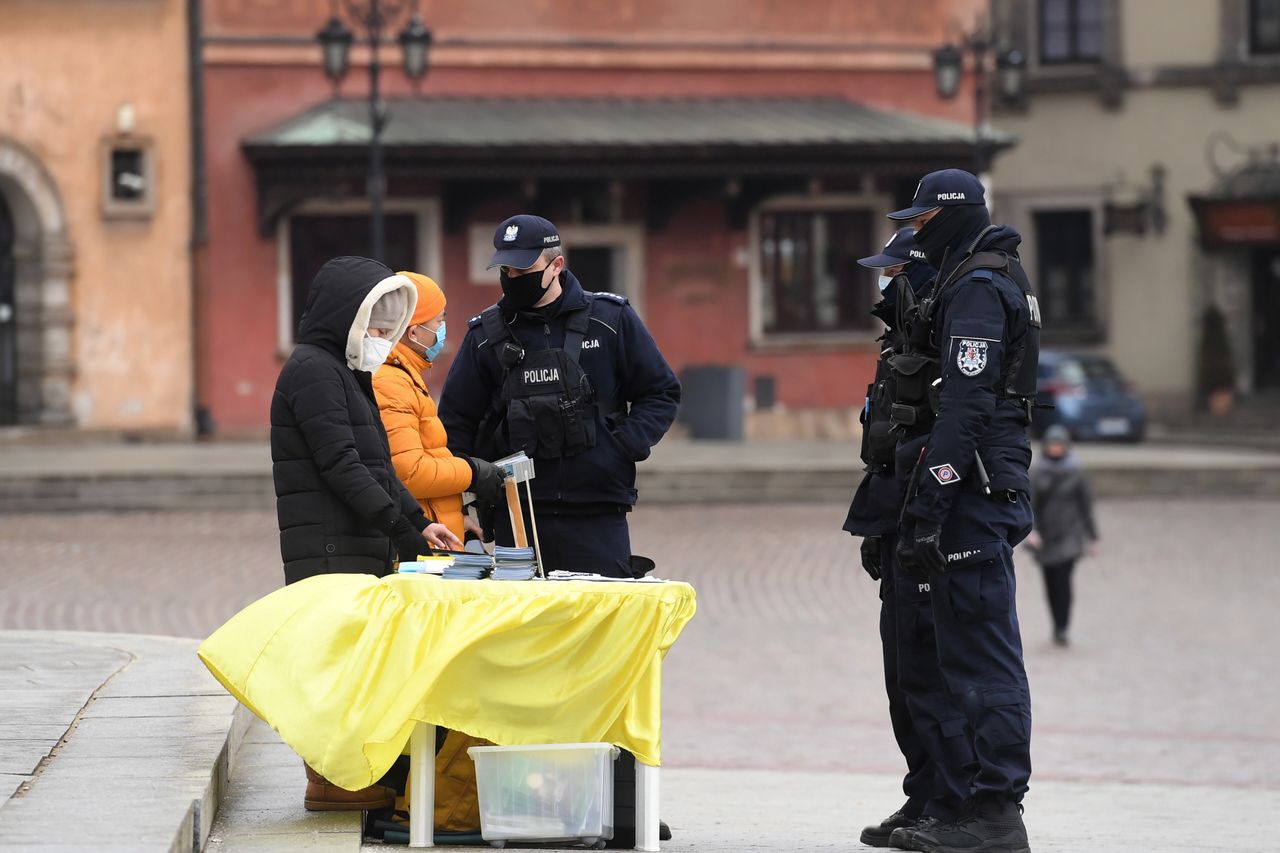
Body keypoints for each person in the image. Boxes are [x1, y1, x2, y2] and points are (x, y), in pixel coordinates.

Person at [270, 255, 462, 811]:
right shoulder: (313, 370)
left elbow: (379, 464)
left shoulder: (346, 372)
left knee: (358, 666)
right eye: (375, 328)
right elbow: (342, 465)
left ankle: (345, 777)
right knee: (337, 669)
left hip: (354, 541)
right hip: (329, 546)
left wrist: (419, 522)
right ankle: (329, 782)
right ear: (347, 319)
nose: (382, 339)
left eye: (387, 329)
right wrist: (400, 528)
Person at [886, 170, 1041, 853]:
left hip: (973, 493)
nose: (917, 231)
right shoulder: (973, 273)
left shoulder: (977, 285)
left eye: (925, 220)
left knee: (982, 660)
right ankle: (959, 805)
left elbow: (966, 408)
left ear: (953, 216)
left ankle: (996, 814)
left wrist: (930, 503)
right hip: (969, 489)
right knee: (952, 657)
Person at [439, 214, 681, 579]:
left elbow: (661, 391)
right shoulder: (484, 336)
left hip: (597, 510)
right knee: (522, 616)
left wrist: (620, 446)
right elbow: (455, 423)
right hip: (516, 513)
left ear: (556, 266)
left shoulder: (611, 319)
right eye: (506, 269)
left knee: (598, 612)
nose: (512, 278)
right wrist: (459, 506)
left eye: (523, 269)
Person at [845, 228, 975, 847]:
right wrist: (876, 527)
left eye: (894, 272)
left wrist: (925, 520)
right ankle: (922, 795)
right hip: (893, 517)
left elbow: (941, 439)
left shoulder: (937, 343)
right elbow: (885, 447)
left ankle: (951, 802)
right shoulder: (898, 343)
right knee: (902, 678)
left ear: (918, 275)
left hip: (929, 524)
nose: (884, 283)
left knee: (929, 675)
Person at [372, 271, 507, 545]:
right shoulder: (390, 383)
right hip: (416, 546)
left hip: (432, 531)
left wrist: (456, 519)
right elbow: (410, 473)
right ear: (413, 332)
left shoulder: (405, 375)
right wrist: (473, 473)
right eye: (438, 321)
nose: (443, 328)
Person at [1027, 424, 1097, 647]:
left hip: (1069, 535)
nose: (1056, 448)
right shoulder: (1037, 473)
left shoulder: (1076, 472)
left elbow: (1086, 506)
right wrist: (1032, 531)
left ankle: (1062, 627)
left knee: (1063, 582)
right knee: (1050, 584)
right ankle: (1056, 622)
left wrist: (1092, 536)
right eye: (1052, 445)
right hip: (1045, 537)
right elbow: (1030, 506)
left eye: (1059, 445)